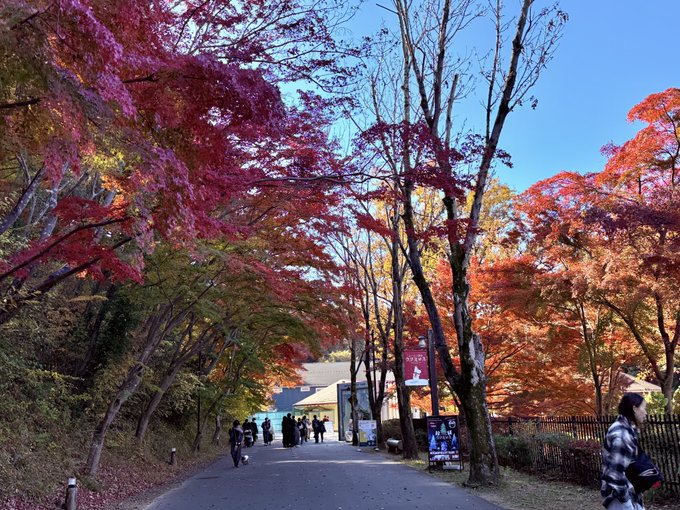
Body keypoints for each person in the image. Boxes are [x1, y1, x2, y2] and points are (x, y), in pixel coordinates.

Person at [601, 393, 647, 510]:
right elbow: (615, 473)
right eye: (644, 408)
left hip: (628, 493)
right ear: (634, 408)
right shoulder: (622, 434)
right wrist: (626, 502)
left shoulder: (625, 428)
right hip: (620, 498)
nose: (646, 412)